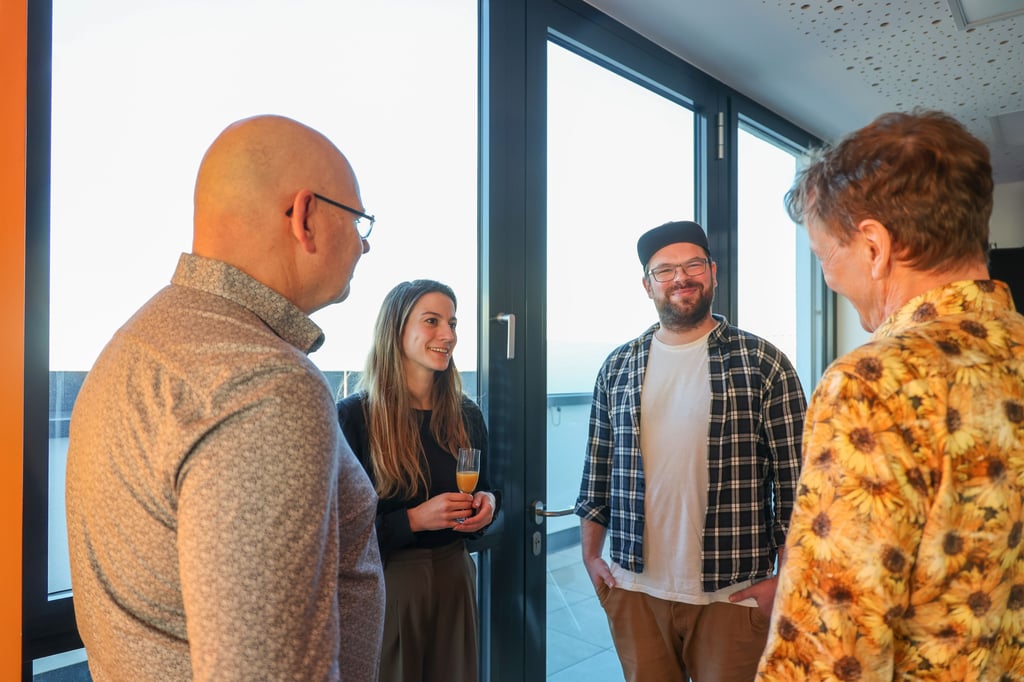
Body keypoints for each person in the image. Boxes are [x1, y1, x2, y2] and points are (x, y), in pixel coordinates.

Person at [65, 115, 385, 681]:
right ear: (305, 217)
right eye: (357, 220)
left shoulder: (138, 346)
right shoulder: (262, 382)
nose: (363, 245)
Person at [758, 110, 1024, 679]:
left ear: (874, 247)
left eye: (825, 256)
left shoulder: (872, 384)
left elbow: (832, 651)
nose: (829, 276)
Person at [575, 220, 808, 682]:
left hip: (733, 594)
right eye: (664, 270)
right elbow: (597, 470)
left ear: (713, 273)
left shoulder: (764, 362)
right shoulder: (618, 366)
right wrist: (590, 556)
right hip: (634, 587)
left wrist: (787, 579)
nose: (681, 278)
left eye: (693, 265)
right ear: (647, 285)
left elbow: (799, 484)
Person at [337, 279, 499, 682]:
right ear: (397, 329)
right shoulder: (354, 418)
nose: (449, 335)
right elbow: (337, 532)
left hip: (456, 575)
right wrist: (412, 520)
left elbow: (491, 487)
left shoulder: (466, 415)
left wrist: (489, 505)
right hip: (389, 583)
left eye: (453, 322)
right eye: (432, 321)